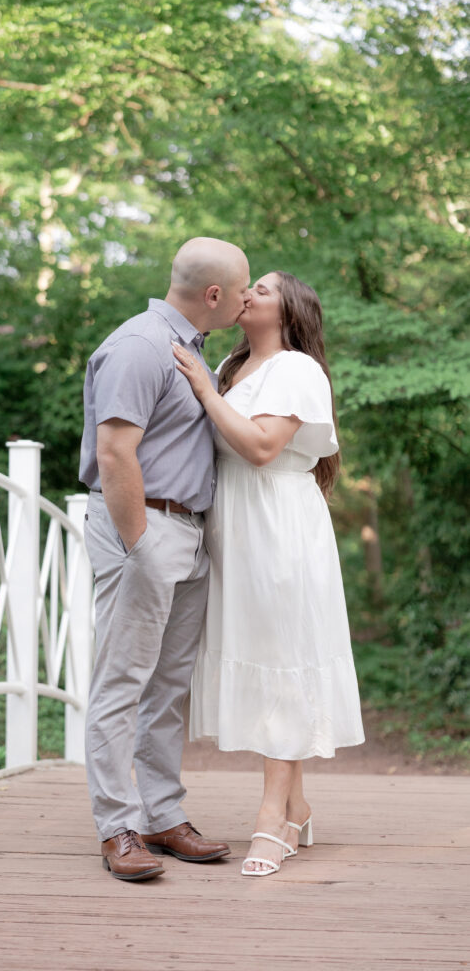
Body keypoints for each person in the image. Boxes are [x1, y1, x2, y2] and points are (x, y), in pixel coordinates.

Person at [172, 270, 365, 878]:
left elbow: (260, 448)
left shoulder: (296, 369)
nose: (247, 292)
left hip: (280, 527)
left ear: (290, 309)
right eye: (247, 285)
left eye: (263, 288)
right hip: (235, 527)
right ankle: (298, 804)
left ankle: (272, 817)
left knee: (283, 662)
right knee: (269, 661)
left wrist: (204, 390)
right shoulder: (232, 366)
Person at [79, 237, 251, 881]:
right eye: (242, 289)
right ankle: (117, 827)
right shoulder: (140, 346)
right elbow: (115, 453)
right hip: (145, 529)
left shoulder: (192, 350)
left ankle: (161, 814)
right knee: (121, 681)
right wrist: (141, 543)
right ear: (214, 295)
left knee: (167, 688)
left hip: (187, 532)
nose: (246, 297)